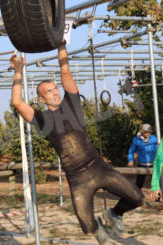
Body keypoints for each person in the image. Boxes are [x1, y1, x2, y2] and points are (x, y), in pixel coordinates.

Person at [10, 44, 144, 244]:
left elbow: (65, 70)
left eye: (55, 88)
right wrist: (19, 71)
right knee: (88, 228)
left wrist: (60, 44)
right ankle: (99, 231)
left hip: (99, 168)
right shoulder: (41, 119)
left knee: (138, 198)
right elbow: (17, 103)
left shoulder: (71, 103)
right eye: (49, 91)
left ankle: (113, 215)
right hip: (78, 179)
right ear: (41, 99)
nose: (55, 92)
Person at [127, 123, 157, 190]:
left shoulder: (154, 138)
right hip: (142, 164)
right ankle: (137, 197)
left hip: (153, 164)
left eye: (149, 132)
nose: (148, 134)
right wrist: (130, 160)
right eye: (146, 132)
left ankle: (157, 197)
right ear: (142, 131)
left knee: (156, 182)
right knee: (139, 183)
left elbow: (159, 149)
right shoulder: (136, 140)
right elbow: (131, 151)